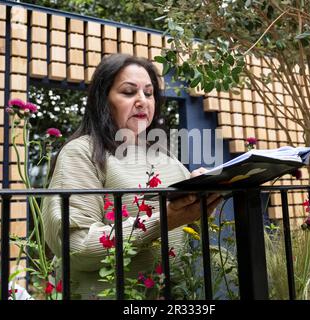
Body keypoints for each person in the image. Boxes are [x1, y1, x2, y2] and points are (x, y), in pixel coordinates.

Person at [41, 54, 223, 299]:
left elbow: (187, 226)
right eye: (128, 92)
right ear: (103, 100)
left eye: (149, 94)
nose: (142, 101)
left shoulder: (167, 158)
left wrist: (202, 193)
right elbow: (76, 246)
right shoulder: (81, 153)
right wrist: (162, 221)